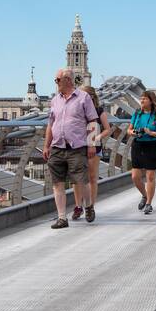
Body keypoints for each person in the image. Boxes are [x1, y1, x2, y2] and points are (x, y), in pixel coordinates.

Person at [42, 68, 99, 229]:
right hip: (57, 147)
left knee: (81, 181)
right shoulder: (55, 100)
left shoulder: (84, 98)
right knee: (57, 183)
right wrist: (46, 145)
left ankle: (88, 206)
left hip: (77, 147)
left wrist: (92, 144)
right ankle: (62, 218)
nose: (56, 83)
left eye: (57, 80)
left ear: (67, 79)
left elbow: (93, 121)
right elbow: (50, 124)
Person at [126, 90, 156, 215]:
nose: (142, 100)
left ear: (151, 101)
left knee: (150, 176)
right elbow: (129, 129)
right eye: (141, 98)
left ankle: (148, 203)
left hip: (152, 145)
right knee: (135, 176)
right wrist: (132, 133)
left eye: (144, 99)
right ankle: (144, 195)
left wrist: (151, 132)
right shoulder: (137, 113)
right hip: (137, 144)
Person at [77, 86, 112, 222]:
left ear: (92, 96)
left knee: (92, 177)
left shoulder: (99, 110)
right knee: (78, 178)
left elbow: (107, 129)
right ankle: (78, 206)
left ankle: (90, 206)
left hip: (94, 146)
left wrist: (97, 138)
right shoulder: (78, 109)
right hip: (78, 145)